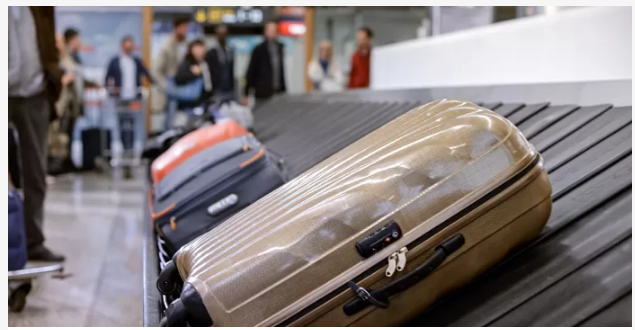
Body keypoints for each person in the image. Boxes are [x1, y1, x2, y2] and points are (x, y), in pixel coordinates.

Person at [9, 6, 70, 262]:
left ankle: (33, 241)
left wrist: (53, 74)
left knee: (35, 172)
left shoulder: (39, 6)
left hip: (35, 92)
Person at [154, 17, 189, 129]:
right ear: (176, 28)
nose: (185, 31)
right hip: (172, 84)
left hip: (185, 85)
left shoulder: (187, 46)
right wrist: (166, 86)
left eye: (186, 28)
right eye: (182, 28)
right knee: (170, 119)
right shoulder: (167, 46)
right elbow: (156, 70)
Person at [243, 20, 286, 109]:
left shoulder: (279, 48)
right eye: (270, 30)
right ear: (265, 31)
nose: (272, 33)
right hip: (262, 93)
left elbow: (281, 71)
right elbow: (251, 71)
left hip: (277, 91)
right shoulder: (259, 49)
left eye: (274, 30)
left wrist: (284, 89)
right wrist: (246, 93)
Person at [174, 40, 213, 109]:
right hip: (190, 103)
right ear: (191, 50)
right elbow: (178, 78)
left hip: (206, 100)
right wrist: (194, 74)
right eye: (197, 48)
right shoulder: (188, 62)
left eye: (201, 48)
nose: (199, 50)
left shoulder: (205, 62)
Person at [206, 24, 235, 100]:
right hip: (216, 90)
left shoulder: (230, 51)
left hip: (229, 89)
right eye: (220, 33)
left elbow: (231, 71)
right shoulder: (211, 52)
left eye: (224, 33)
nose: (222, 36)